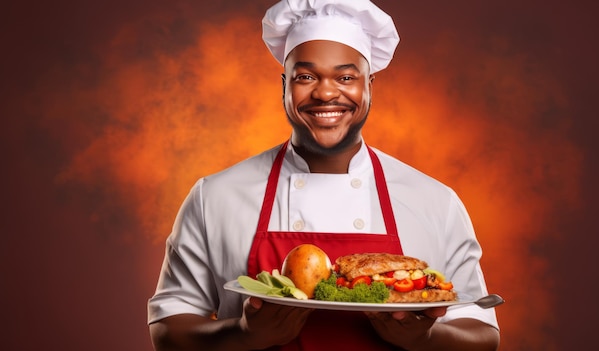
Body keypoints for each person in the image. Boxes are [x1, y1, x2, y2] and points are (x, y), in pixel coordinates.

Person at [147, 0, 500, 350]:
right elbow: (168, 329)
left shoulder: (435, 202)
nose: (326, 92)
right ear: (284, 85)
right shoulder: (216, 197)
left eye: (346, 77)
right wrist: (244, 334)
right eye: (306, 77)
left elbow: (482, 333)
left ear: (370, 85)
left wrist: (425, 338)